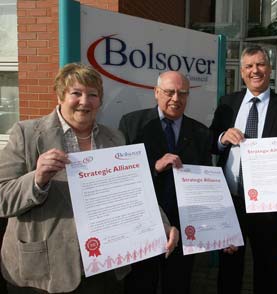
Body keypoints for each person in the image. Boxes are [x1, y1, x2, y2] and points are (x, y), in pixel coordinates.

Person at [0, 63, 178, 294]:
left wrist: (159, 224)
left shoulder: (114, 137)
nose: (85, 101)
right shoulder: (26, 134)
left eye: (92, 95)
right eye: (76, 93)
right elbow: (2, 197)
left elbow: (133, 191)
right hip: (44, 272)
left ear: (100, 101)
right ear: (60, 95)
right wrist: (37, 179)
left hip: (103, 268)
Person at [210, 45, 277, 294]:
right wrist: (223, 137)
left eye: (260, 64)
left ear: (269, 68)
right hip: (231, 201)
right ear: (242, 72)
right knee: (229, 266)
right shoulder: (228, 103)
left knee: (267, 267)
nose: (255, 70)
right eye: (249, 66)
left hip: (269, 206)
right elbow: (212, 140)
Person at [119, 71, 211, 294]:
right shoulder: (132, 124)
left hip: (183, 222)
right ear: (156, 92)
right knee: (141, 283)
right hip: (143, 221)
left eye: (183, 93)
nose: (176, 99)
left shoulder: (200, 131)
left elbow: (206, 183)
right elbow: (121, 177)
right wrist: (154, 167)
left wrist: (218, 230)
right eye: (169, 92)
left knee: (178, 283)